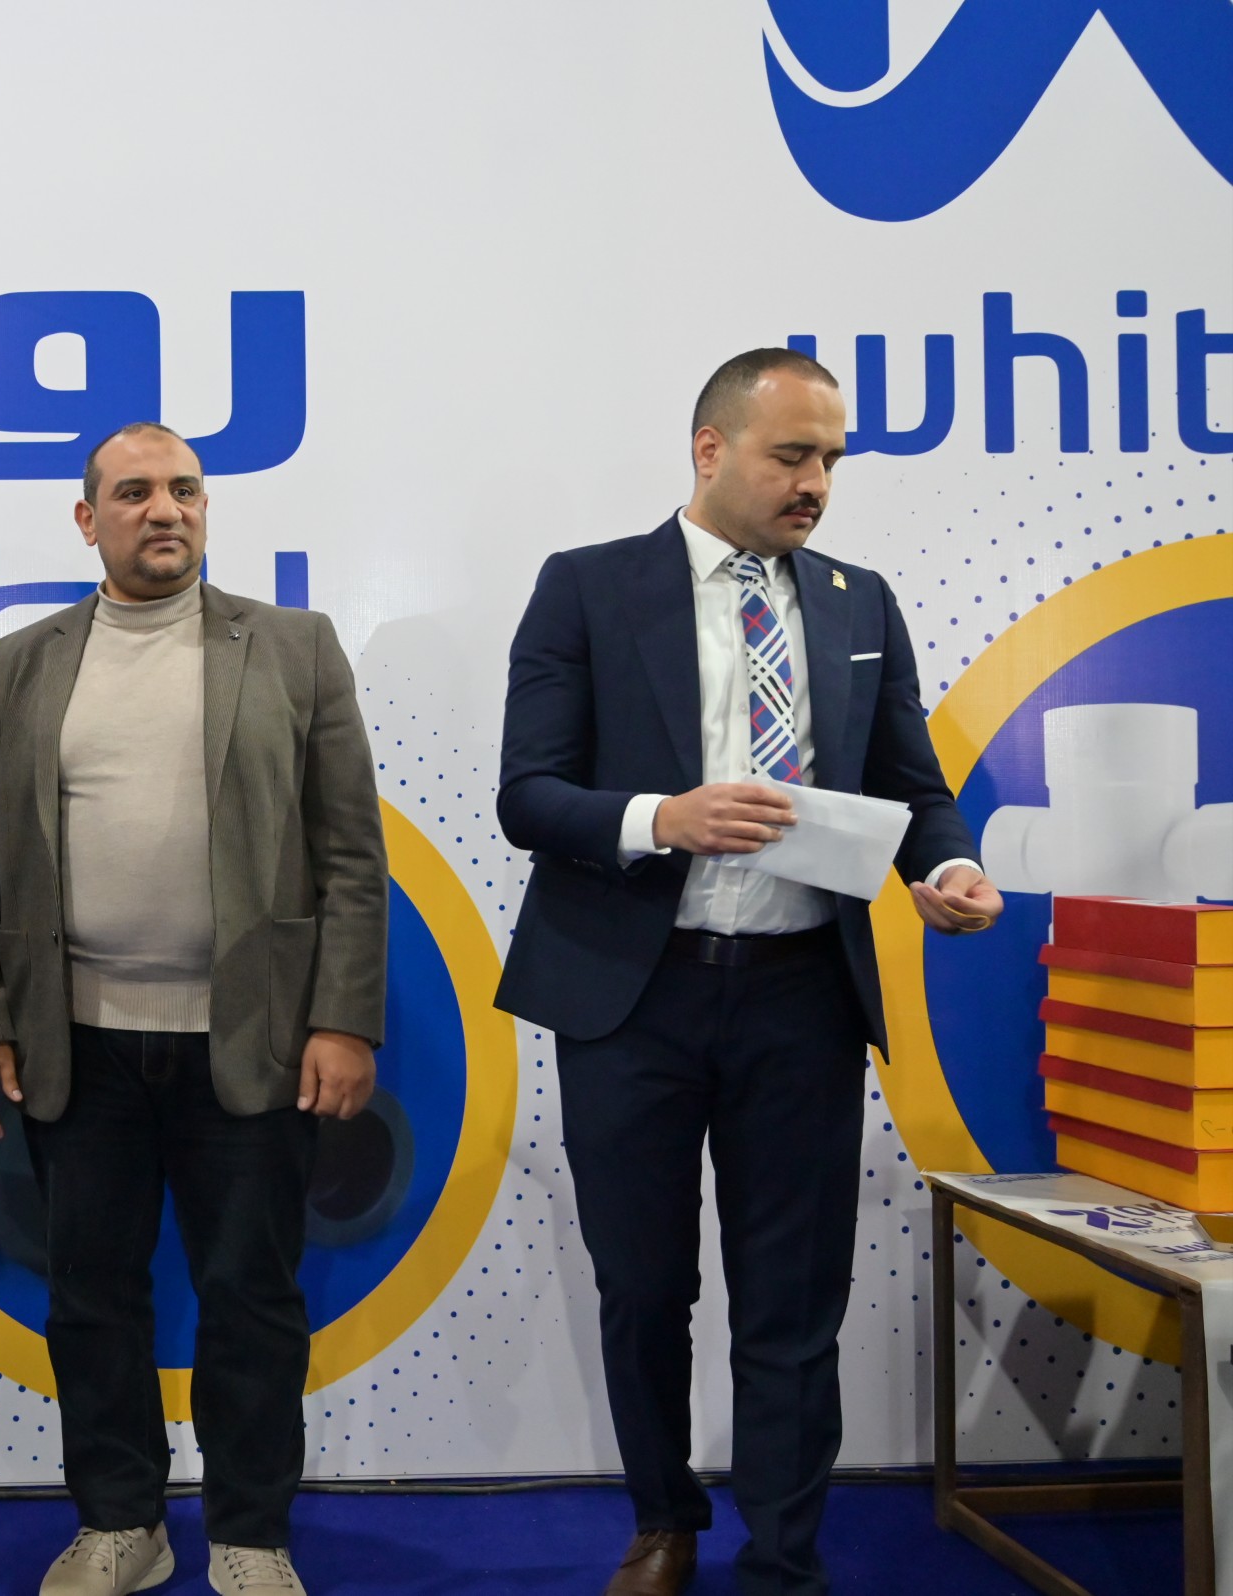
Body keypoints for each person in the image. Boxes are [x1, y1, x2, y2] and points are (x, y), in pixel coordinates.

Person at [494, 349, 1003, 1596]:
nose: (815, 481)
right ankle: (664, 1523)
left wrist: (947, 869)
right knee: (644, 1287)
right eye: (791, 454)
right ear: (710, 449)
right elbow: (529, 794)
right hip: (632, 995)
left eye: (830, 458)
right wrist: (659, 819)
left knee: (793, 1297)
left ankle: (784, 1559)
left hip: (801, 997)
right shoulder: (587, 587)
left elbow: (912, 785)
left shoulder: (858, 602)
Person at [0, 422, 387, 1596]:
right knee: (91, 1297)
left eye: (184, 489)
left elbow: (351, 855)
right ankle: (121, 1524)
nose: (164, 510)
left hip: (251, 1043)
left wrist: (345, 1018)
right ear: (86, 518)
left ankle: (250, 1532)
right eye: (134, 492)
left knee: (252, 1296)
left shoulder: (293, 648)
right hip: (75, 1044)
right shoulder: (22, 663)